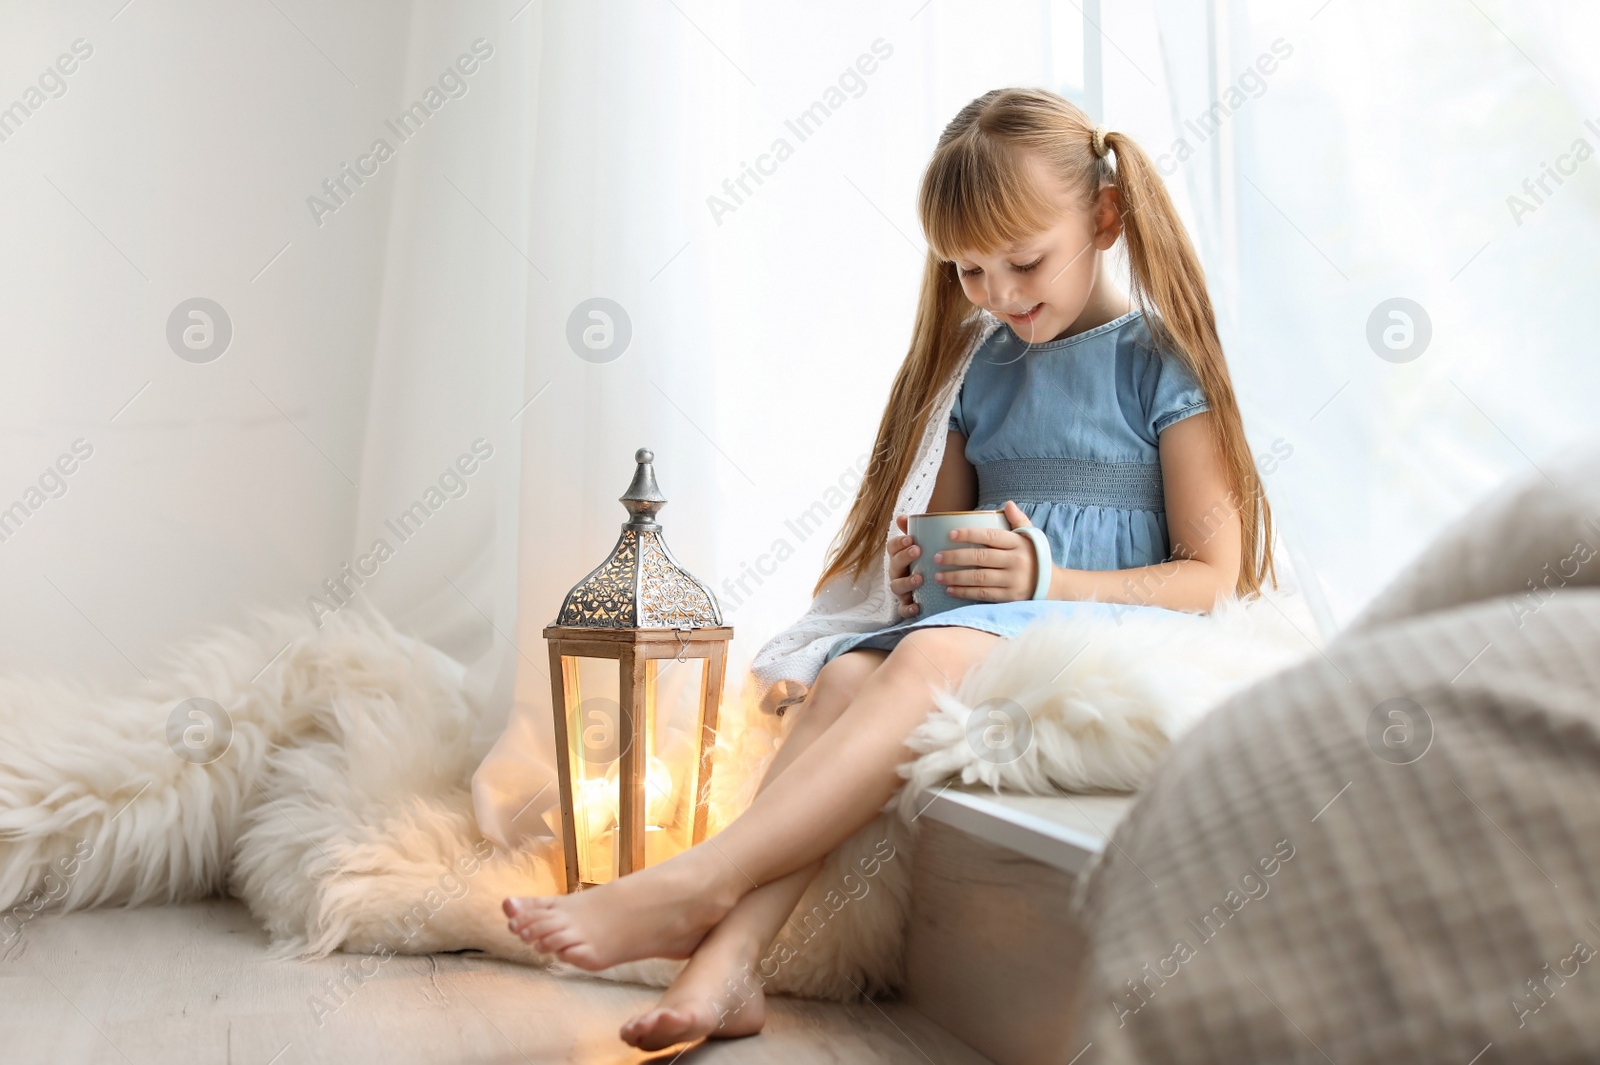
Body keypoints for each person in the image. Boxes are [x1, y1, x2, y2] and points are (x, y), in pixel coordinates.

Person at [503, 86, 1276, 1052]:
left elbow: (1213, 577)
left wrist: (1047, 580)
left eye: (1025, 261)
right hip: (986, 631)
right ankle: (726, 966)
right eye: (971, 271)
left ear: (1106, 219)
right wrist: (920, 577)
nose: (998, 293)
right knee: (849, 674)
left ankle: (697, 882)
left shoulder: (1159, 364)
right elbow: (942, 539)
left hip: (1101, 627)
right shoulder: (985, 371)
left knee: (916, 664)